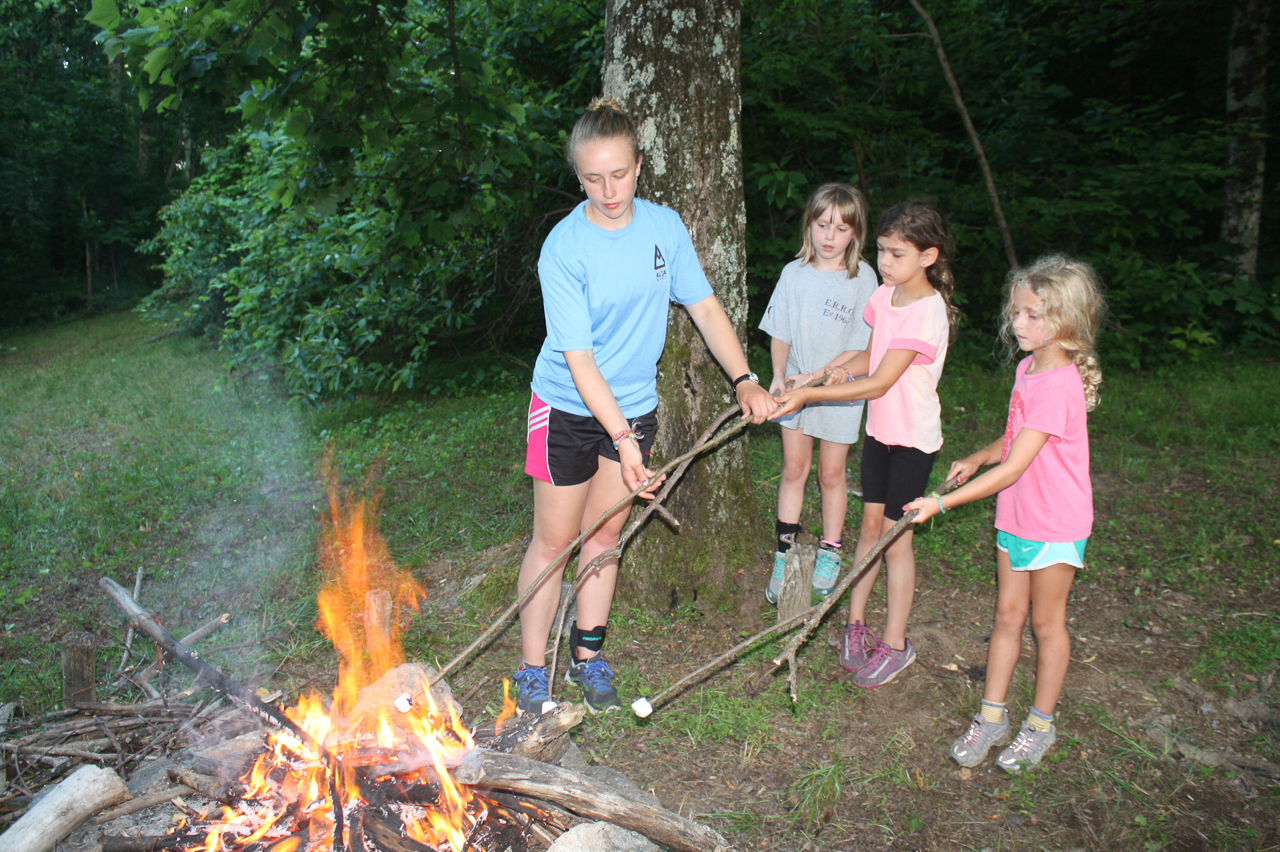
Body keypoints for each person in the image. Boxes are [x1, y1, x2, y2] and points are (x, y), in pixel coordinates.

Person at [516, 97, 775, 715]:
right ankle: (531, 671)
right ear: (578, 177)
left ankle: (588, 656)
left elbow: (703, 306)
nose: (609, 191)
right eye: (593, 178)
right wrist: (624, 440)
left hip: (633, 408)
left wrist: (743, 378)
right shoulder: (564, 248)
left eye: (619, 174)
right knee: (554, 542)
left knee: (605, 535)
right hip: (566, 407)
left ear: (639, 165)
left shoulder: (664, 228)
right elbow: (580, 361)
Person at [904, 255, 1104, 773]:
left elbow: (1016, 466)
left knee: (1046, 622)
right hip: (1017, 514)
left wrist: (940, 503)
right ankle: (992, 717)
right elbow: (1015, 441)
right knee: (1007, 617)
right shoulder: (1028, 368)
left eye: (1032, 314)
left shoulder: (1060, 385)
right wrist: (978, 457)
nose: (1018, 323)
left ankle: (1040, 725)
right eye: (1016, 312)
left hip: (1055, 522)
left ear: (1065, 320)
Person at [772, 201, 957, 689]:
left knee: (896, 539)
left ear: (928, 257)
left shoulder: (927, 311)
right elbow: (868, 357)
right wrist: (820, 374)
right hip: (879, 433)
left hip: (913, 440)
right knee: (870, 528)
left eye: (897, 254)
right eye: (882, 251)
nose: (885, 263)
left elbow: (879, 380)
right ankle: (855, 625)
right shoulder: (885, 297)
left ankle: (895, 644)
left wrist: (811, 394)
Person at [759, 184, 878, 604]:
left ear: (855, 233)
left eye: (841, 228)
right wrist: (779, 375)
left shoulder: (863, 278)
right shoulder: (793, 274)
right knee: (794, 468)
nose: (830, 236)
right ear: (809, 224)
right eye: (822, 224)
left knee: (831, 473)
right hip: (794, 387)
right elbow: (780, 331)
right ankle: (784, 552)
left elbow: (862, 347)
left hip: (839, 389)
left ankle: (830, 549)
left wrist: (813, 378)